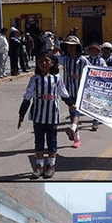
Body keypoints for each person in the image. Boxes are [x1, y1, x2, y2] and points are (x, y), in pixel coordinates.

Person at [18, 51, 78, 179]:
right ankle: (39, 166)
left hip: (52, 117)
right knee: (39, 142)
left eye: (47, 61)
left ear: (52, 63)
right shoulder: (35, 79)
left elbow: (63, 93)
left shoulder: (57, 78)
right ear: (38, 64)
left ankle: (50, 166)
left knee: (52, 142)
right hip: (38, 117)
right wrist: (21, 114)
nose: (44, 64)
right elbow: (27, 97)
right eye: (41, 61)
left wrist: (71, 104)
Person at [57, 36, 89, 148]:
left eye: (73, 47)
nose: (70, 49)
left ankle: (73, 130)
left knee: (76, 110)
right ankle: (75, 135)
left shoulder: (83, 61)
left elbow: (90, 73)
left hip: (80, 91)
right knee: (73, 113)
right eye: (68, 46)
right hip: (68, 91)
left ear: (77, 48)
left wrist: (80, 76)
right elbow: (53, 59)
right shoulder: (64, 59)